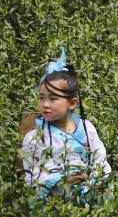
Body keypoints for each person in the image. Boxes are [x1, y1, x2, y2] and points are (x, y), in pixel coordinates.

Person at [21, 48, 111, 203]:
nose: (46, 104)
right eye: (41, 98)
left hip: (90, 190)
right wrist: (64, 181)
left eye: (53, 98)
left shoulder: (86, 128)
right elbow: (36, 175)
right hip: (55, 199)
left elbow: (100, 157)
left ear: (72, 103)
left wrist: (95, 179)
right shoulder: (35, 137)